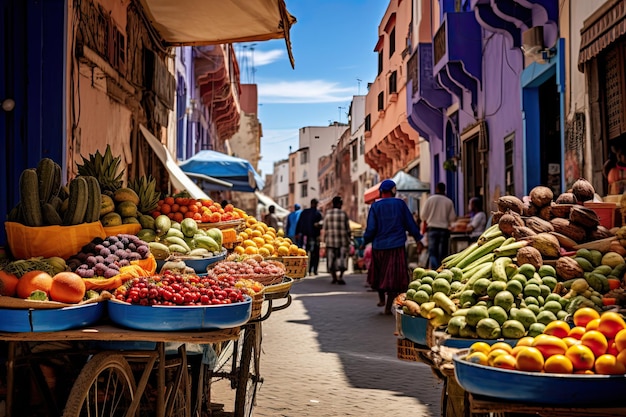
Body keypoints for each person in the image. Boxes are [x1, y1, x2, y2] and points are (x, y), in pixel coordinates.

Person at [362, 179, 422, 315]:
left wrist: (364, 241)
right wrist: (418, 238)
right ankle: (388, 307)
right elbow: (410, 224)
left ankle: (381, 298)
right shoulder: (400, 204)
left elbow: (371, 228)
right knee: (393, 279)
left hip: (379, 247)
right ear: (394, 191)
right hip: (396, 246)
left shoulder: (375, 206)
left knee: (379, 275)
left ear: (381, 192)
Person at [421, 182, 457, 270]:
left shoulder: (430, 200)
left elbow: (423, 216)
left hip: (432, 229)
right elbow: (452, 218)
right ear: (444, 190)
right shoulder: (448, 201)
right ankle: (441, 270)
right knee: (442, 254)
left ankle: (434, 270)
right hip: (444, 231)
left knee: (432, 253)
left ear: (436, 189)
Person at [323, 196, 351, 285]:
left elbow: (324, 228)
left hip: (330, 241)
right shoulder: (343, 214)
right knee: (343, 260)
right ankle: (340, 277)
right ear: (339, 204)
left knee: (331, 260)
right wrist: (349, 239)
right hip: (342, 241)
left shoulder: (328, 214)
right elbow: (348, 229)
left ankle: (334, 277)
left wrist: (323, 240)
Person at [296, 198, 323, 276]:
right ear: (316, 204)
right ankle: (314, 270)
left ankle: (305, 271)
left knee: (305, 254)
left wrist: (297, 233)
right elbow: (321, 225)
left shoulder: (304, 212)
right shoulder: (318, 213)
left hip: (305, 237)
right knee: (315, 254)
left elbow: (299, 223)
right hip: (315, 236)